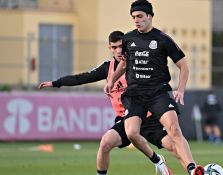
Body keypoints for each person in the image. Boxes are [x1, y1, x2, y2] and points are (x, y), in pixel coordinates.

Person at [38, 31, 184, 175]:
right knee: (105, 143)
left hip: (148, 116)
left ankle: (195, 169)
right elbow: (82, 78)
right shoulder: (107, 68)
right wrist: (56, 83)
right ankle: (158, 161)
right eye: (113, 47)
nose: (118, 50)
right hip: (126, 118)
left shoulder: (138, 64)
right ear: (110, 49)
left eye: (120, 46)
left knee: (173, 146)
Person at [104, 1, 205, 175]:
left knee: (174, 129)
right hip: (135, 95)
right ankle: (157, 160)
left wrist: (180, 90)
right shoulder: (128, 39)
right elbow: (124, 64)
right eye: (134, 17)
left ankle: (192, 169)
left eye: (140, 16)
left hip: (157, 93)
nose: (136, 20)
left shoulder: (163, 39)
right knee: (132, 133)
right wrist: (111, 80)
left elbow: (184, 66)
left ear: (149, 16)